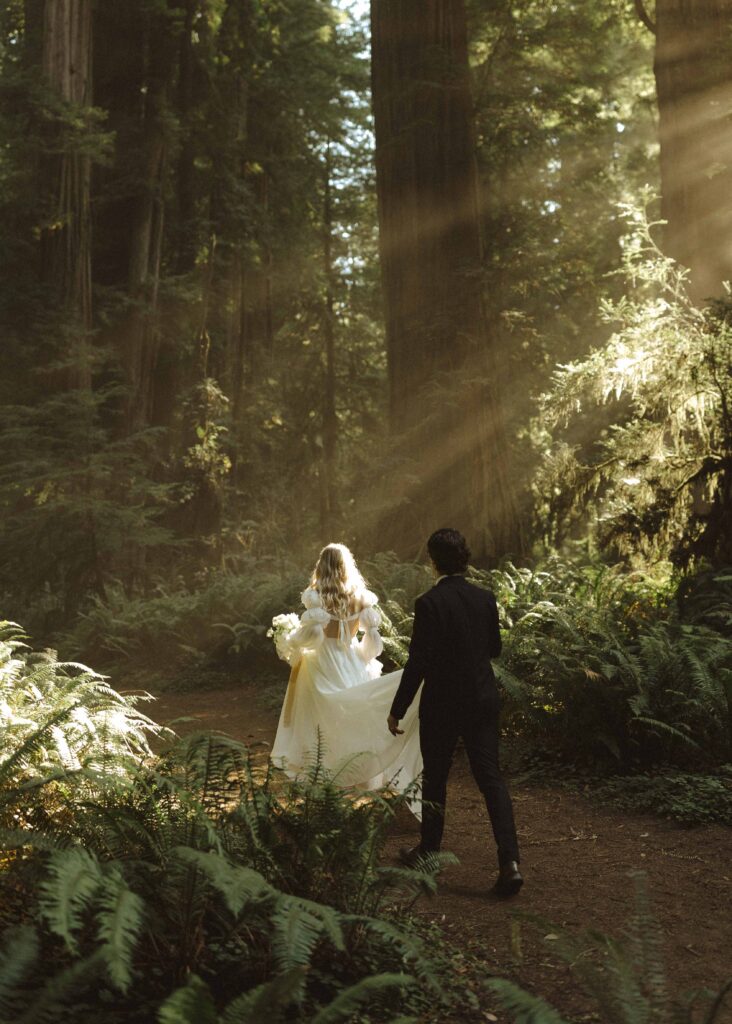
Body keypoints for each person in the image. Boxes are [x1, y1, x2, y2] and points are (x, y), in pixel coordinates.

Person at [388, 528, 523, 898]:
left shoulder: (429, 603)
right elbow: (493, 649)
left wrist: (397, 709)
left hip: (443, 704)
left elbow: (419, 662)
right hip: (481, 699)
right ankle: (509, 862)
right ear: (465, 558)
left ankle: (429, 851)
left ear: (433, 561)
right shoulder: (485, 598)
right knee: (491, 779)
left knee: (435, 779)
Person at [270, 543, 422, 797]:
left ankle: (326, 776)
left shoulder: (316, 596)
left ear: (321, 566)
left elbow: (310, 637)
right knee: (353, 717)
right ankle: (356, 772)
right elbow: (371, 644)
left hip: (322, 662)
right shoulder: (360, 597)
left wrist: (289, 639)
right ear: (346, 566)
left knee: (320, 721)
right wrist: (365, 658)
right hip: (352, 659)